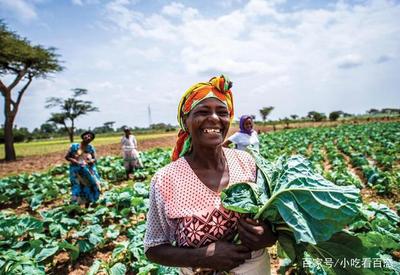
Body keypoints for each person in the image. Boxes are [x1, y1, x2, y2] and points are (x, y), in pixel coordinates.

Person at [144, 75, 276, 274]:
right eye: (203, 111)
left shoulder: (247, 162)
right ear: (186, 122)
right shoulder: (166, 179)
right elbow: (153, 248)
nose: (214, 118)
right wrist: (201, 256)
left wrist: (268, 236)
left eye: (222, 112)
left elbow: (273, 219)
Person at [65, 131, 101, 207]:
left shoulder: (90, 147)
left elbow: (95, 159)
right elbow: (67, 157)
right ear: (83, 136)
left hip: (88, 170)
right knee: (78, 186)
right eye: (87, 135)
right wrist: (76, 161)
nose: (88, 137)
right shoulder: (74, 146)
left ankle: (88, 204)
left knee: (90, 185)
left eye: (90, 137)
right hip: (76, 170)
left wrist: (91, 161)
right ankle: (75, 206)